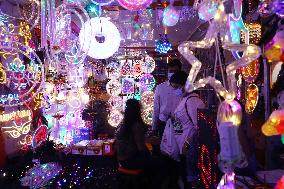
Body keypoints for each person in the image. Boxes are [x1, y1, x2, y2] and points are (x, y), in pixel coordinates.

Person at [115, 99, 165, 188]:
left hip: (122, 160)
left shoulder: (124, 124)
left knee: (154, 160)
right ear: (137, 111)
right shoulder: (136, 125)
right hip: (131, 161)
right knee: (161, 164)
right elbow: (141, 147)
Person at [169, 71, 205, 189]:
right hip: (183, 146)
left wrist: (188, 143)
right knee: (186, 176)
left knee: (191, 178)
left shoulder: (193, 101)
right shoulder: (185, 99)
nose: (175, 90)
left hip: (189, 147)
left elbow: (199, 127)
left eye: (176, 87)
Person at [152, 59, 183, 137]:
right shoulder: (160, 87)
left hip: (178, 121)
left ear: (180, 72)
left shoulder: (184, 88)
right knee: (164, 145)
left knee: (177, 143)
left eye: (175, 71)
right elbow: (156, 108)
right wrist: (154, 127)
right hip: (163, 121)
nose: (172, 73)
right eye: (170, 71)